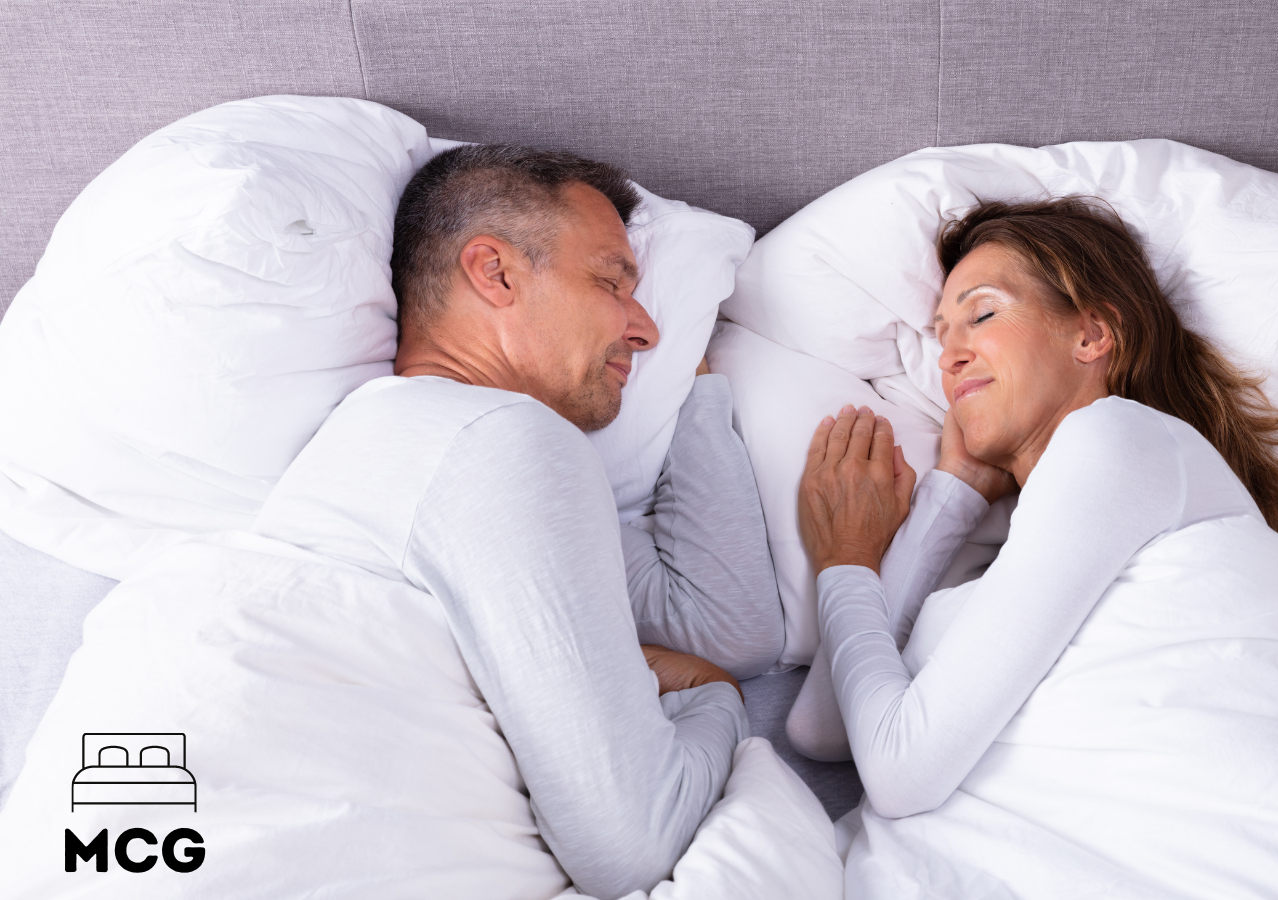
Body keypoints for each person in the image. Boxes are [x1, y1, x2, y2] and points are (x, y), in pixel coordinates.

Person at [1, 145, 781, 899]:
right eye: (612, 281)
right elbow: (632, 840)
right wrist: (711, 702)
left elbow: (723, 625)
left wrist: (697, 397)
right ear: (495, 270)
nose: (647, 329)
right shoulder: (499, 439)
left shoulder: (416, 450)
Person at [792, 197, 1278, 897]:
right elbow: (824, 728)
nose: (950, 354)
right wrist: (948, 496)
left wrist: (849, 561)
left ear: (1092, 334)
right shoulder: (1003, 567)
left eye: (981, 313)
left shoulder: (1115, 439)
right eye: (940, 335)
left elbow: (895, 768)